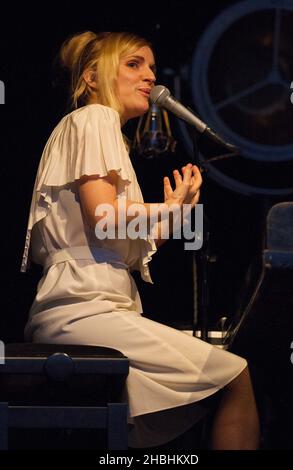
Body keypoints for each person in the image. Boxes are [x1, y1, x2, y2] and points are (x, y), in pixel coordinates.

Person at [21, 31, 259, 449]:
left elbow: (118, 238)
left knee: (219, 383)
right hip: (83, 310)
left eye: (151, 66)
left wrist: (173, 212)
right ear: (93, 77)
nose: (151, 76)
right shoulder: (93, 118)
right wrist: (165, 210)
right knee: (234, 375)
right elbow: (103, 217)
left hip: (90, 306)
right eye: (134, 64)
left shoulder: (101, 130)